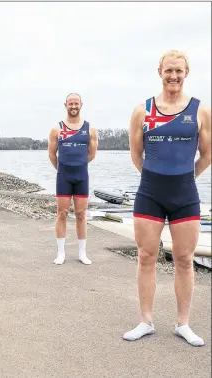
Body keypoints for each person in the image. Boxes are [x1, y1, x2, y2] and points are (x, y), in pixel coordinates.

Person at [124, 50, 211, 346]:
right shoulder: (143, 110)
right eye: (168, 70)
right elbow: (136, 154)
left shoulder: (200, 111)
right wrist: (153, 177)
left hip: (185, 194)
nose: (173, 76)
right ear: (159, 71)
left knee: (185, 259)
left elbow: (207, 154)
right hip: (150, 192)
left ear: (186, 73)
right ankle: (146, 321)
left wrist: (187, 177)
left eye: (179, 71)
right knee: (146, 256)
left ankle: (183, 324)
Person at [48, 93, 98, 265]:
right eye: (71, 104)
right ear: (66, 105)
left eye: (76, 103)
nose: (74, 106)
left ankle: (82, 253)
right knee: (61, 213)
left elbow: (91, 154)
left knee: (81, 214)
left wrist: (78, 165)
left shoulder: (90, 129)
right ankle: (60, 253)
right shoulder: (57, 129)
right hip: (64, 177)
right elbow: (52, 154)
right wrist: (63, 168)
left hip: (81, 176)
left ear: (81, 105)